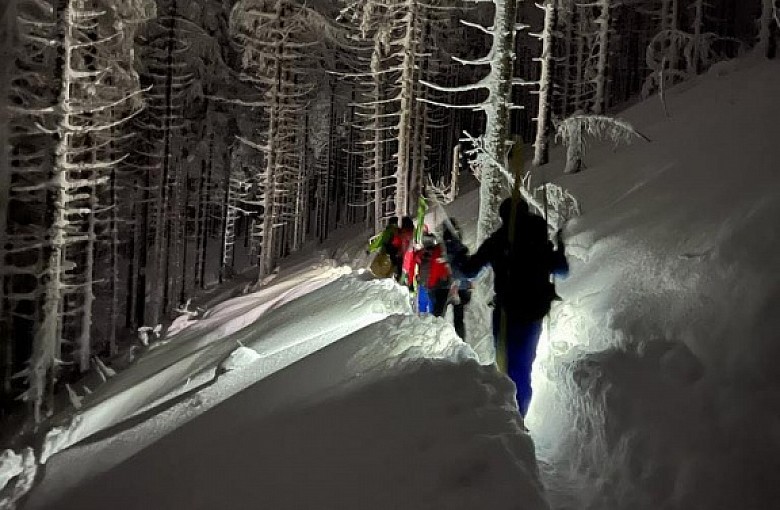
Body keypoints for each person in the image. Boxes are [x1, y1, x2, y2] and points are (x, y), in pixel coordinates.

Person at [458, 197, 568, 416]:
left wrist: (459, 254)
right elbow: (562, 270)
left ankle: (510, 416)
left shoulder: (499, 241)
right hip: (534, 313)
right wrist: (558, 250)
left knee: (506, 367)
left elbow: (470, 270)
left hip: (507, 313)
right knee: (523, 367)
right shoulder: (539, 240)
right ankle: (519, 416)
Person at [440, 219, 472, 340]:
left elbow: (451, 263)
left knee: (442, 314)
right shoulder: (460, 245)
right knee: (458, 317)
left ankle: (447, 341)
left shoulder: (448, 245)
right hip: (462, 285)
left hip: (453, 285)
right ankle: (460, 341)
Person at [414, 232, 451, 315]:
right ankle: (430, 318)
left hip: (425, 282)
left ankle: (423, 317)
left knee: (423, 303)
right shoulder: (437, 252)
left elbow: (417, 259)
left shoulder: (422, 253)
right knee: (431, 304)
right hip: (433, 283)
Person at [393, 216, 415, 285]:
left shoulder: (402, 233)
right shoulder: (413, 234)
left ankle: (401, 282)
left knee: (402, 272)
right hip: (410, 257)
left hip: (403, 256)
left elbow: (395, 242)